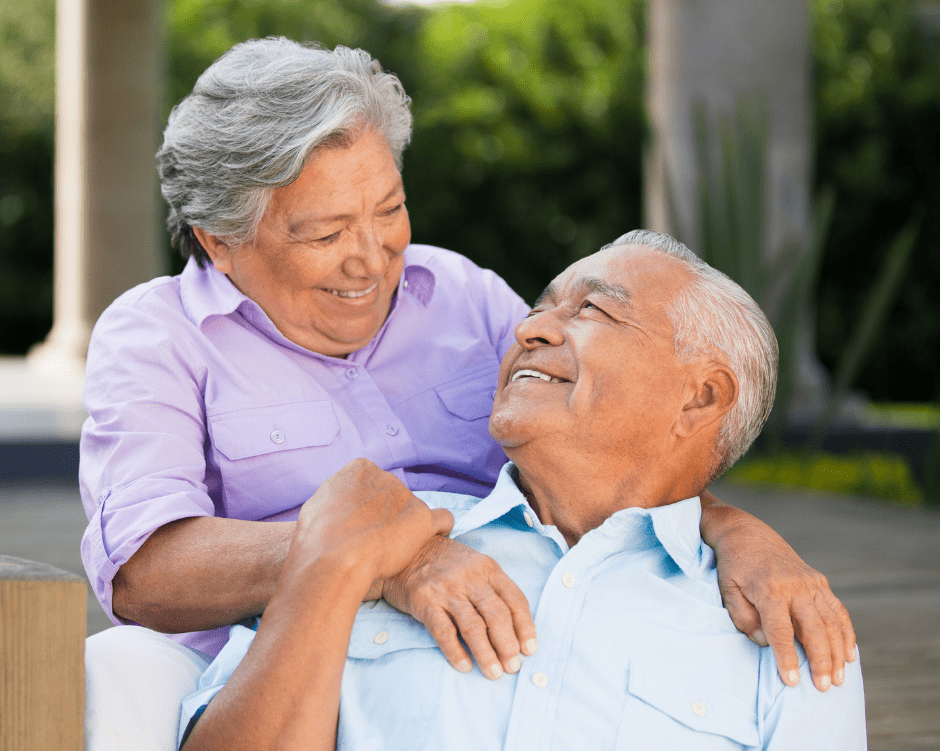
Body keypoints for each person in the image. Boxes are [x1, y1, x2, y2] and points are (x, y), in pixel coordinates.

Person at [79, 38, 854, 749]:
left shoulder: (459, 292)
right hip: (294, 663)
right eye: (325, 235)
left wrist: (734, 529)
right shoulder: (157, 336)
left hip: (512, 615)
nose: (370, 261)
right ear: (220, 241)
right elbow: (146, 571)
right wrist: (384, 558)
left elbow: (613, 431)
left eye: (389, 211)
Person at [178, 231, 867, 751]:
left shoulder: (789, 628)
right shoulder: (380, 546)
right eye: (540, 308)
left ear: (701, 398)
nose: (529, 328)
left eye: (593, 310)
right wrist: (332, 564)